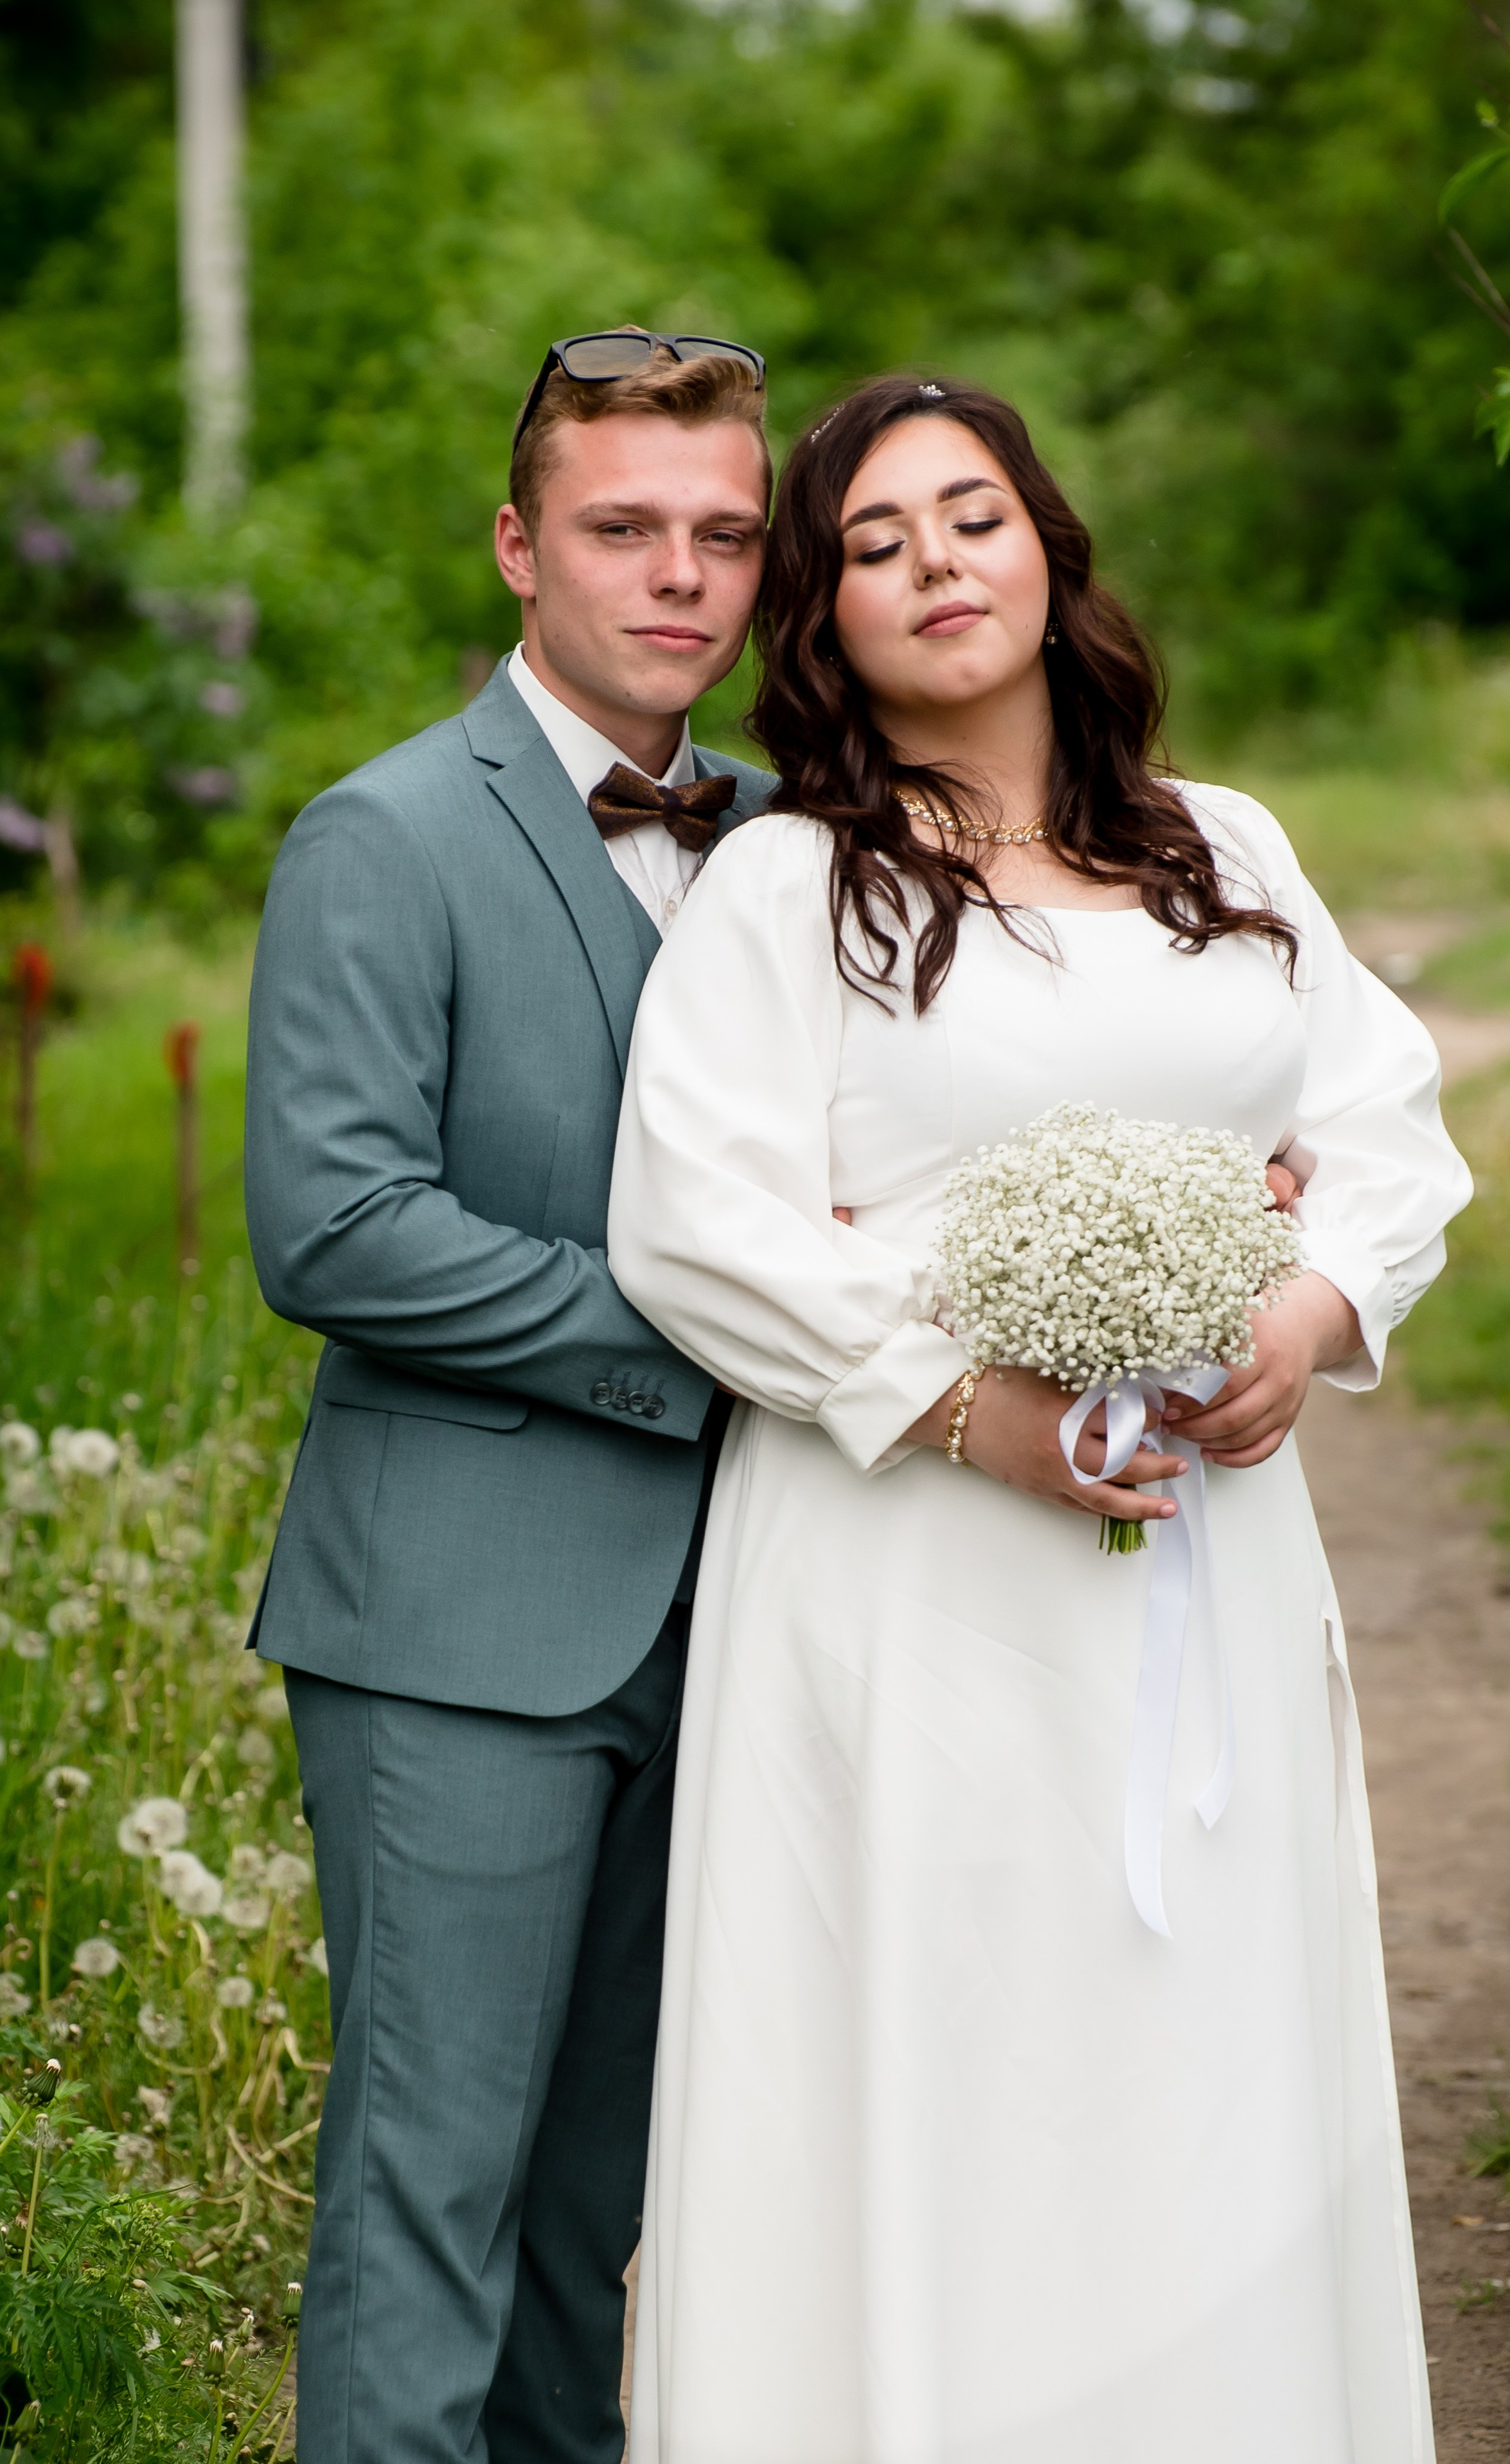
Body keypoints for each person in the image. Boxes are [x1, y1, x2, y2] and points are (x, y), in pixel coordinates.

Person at [608, 372, 1472, 2463]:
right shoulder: (790, 885)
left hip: (1207, 1554)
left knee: (1202, 2053)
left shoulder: (1224, 845)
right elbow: (691, 1222)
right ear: (823, 620)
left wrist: (1316, 1293)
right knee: (951, 2056)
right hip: (911, 1573)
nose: (934, 566)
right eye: (875, 543)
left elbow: (1383, 1120)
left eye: (969, 514)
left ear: (1048, 548)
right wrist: (948, 1398)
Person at [243, 330, 774, 2464]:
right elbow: (340, 1228)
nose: (681, 579)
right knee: (428, 2191)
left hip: (738, 1619)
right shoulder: (381, 835)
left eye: (725, 535)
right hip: (460, 1628)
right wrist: (716, 1332)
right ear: (517, 547)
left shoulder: (789, 846)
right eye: (623, 529)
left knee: (602, 2219)